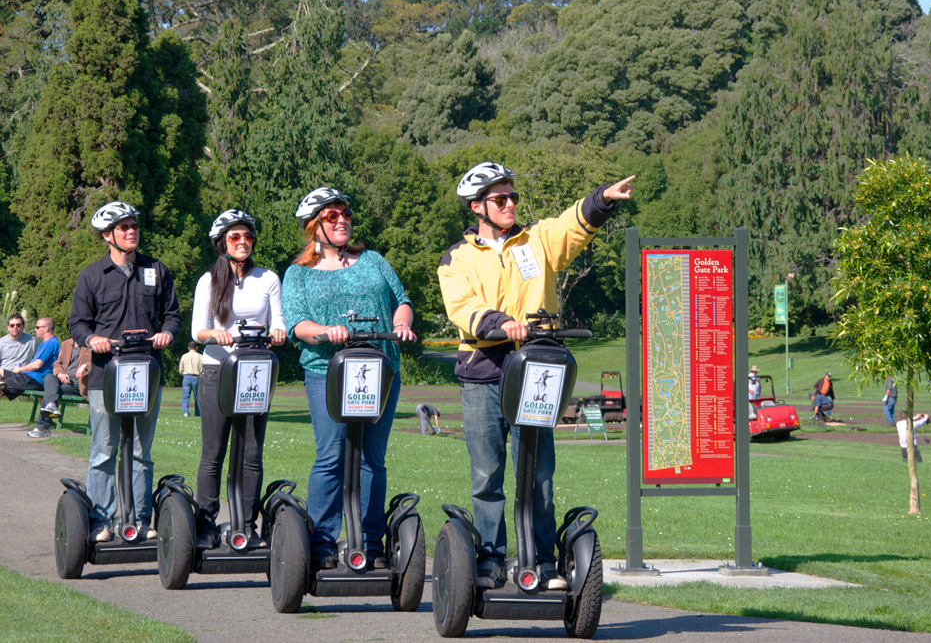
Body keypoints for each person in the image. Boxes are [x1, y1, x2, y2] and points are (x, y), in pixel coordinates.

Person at [438, 161, 635, 591]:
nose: (510, 204)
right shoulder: (458, 257)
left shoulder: (536, 240)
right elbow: (461, 306)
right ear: (477, 207)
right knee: (487, 473)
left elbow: (571, 227)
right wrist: (497, 322)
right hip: (483, 372)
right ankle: (490, 558)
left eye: (512, 197)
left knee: (539, 470)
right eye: (500, 199)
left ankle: (543, 561)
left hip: (534, 371)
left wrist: (602, 199)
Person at [282, 188, 416, 569]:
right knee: (331, 456)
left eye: (345, 214)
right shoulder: (299, 274)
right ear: (313, 226)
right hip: (327, 371)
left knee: (373, 459)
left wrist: (401, 324)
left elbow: (401, 300)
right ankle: (323, 542)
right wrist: (327, 330)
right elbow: (297, 325)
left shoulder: (372, 259)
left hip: (380, 368)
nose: (341, 220)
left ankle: (371, 544)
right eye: (331, 216)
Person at [68, 201, 181, 543]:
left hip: (147, 373)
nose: (132, 231)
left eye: (134, 225)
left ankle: (141, 519)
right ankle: (101, 520)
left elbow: (173, 315)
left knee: (140, 451)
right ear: (107, 236)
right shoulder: (91, 275)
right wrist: (93, 339)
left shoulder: (156, 270)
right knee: (104, 449)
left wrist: (168, 334)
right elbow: (77, 323)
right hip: (106, 374)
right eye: (123, 227)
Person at [192, 210, 286, 550]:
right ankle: (206, 523)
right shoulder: (209, 281)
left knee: (251, 452)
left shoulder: (268, 278)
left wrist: (277, 333)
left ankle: (247, 524)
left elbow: (280, 323)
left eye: (247, 236)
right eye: (235, 237)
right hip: (218, 369)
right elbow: (197, 331)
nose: (243, 242)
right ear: (222, 243)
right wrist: (220, 336)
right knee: (213, 452)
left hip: (255, 371)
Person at [27, 335, 91, 438]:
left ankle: (42, 428)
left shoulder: (91, 344)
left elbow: (98, 365)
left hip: (79, 383)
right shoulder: (66, 343)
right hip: (63, 379)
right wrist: (60, 374)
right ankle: (52, 405)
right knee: (49, 378)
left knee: (50, 392)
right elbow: (58, 364)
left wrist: (85, 366)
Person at [1, 317, 60, 401]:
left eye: (37, 327)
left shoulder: (50, 343)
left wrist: (20, 369)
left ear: (46, 329)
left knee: (2, 386)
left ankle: (48, 411)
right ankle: (46, 411)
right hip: (27, 376)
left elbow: (37, 364)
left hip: (34, 379)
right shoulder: (46, 343)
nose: (35, 330)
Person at [178, 342, 203, 417]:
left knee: (185, 396)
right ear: (197, 348)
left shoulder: (184, 356)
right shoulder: (200, 356)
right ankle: (197, 413)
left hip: (186, 376)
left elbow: (180, 369)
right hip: (196, 377)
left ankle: (185, 412)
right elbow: (202, 369)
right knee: (197, 397)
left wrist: (182, 373)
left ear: (188, 348)